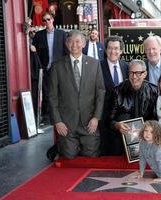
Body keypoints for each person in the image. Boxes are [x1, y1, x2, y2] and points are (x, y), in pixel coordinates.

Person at [48, 30, 105, 160]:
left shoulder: (94, 64)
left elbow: (100, 92)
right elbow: (52, 96)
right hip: (67, 124)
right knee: (68, 156)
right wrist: (57, 121)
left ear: (84, 43)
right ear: (66, 44)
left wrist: (96, 117)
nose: (74, 45)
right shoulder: (57, 66)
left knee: (91, 156)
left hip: (89, 122)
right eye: (71, 41)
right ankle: (60, 146)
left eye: (78, 41)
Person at [109, 59, 158, 154]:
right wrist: (117, 125)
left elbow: (157, 118)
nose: (134, 76)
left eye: (138, 73)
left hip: (147, 138)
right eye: (131, 73)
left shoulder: (154, 91)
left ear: (145, 74)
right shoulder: (117, 91)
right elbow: (109, 119)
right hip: (122, 139)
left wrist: (148, 129)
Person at [30, 12, 68, 125]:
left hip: (59, 68)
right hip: (45, 68)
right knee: (46, 93)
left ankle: (60, 115)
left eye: (48, 19)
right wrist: (31, 47)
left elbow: (66, 51)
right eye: (44, 20)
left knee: (59, 92)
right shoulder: (39, 35)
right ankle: (47, 116)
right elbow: (34, 48)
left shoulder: (61, 34)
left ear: (52, 20)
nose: (46, 22)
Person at [100, 35, 129, 155]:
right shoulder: (97, 67)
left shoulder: (126, 67)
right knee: (108, 153)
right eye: (110, 48)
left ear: (121, 51)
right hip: (104, 116)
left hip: (123, 115)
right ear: (106, 50)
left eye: (116, 48)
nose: (113, 51)